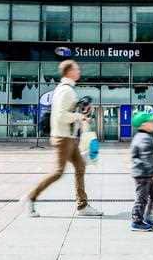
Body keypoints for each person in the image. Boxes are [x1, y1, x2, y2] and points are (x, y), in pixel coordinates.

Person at [24, 60, 102, 218]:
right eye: (76, 69)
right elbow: (61, 116)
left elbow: (68, 112)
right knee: (58, 172)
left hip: (69, 137)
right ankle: (31, 197)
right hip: (63, 138)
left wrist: (82, 113)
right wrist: (79, 115)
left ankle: (82, 206)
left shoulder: (66, 89)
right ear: (69, 72)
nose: (79, 71)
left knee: (80, 167)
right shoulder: (66, 91)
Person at [130, 111, 153, 232]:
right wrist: (151, 169)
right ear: (143, 125)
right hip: (143, 174)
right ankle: (137, 221)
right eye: (151, 122)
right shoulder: (144, 138)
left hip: (144, 172)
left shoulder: (140, 136)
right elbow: (145, 155)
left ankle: (147, 216)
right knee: (142, 197)